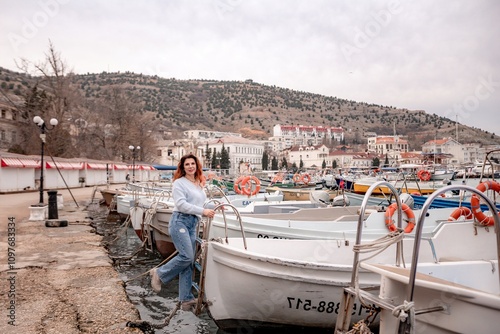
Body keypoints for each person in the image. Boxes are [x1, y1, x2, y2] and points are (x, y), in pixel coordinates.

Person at [149, 154, 215, 311]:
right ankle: (159, 273)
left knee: (189, 262)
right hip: (180, 221)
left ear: (197, 165)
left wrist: (213, 207)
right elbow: (182, 205)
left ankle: (185, 299)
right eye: (187, 164)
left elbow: (200, 203)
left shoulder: (198, 183)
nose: (191, 166)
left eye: (193, 163)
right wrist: (204, 211)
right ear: (183, 167)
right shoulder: (179, 183)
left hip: (193, 224)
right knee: (187, 256)